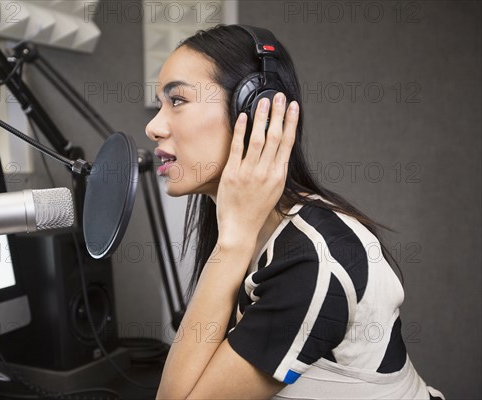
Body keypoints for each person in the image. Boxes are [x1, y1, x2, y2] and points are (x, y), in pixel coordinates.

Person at [145, 24, 444, 400]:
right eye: (160, 104)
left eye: (178, 101)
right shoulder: (253, 231)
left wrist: (232, 245)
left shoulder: (313, 260)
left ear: (255, 110)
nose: (153, 126)